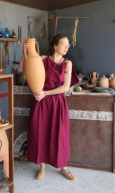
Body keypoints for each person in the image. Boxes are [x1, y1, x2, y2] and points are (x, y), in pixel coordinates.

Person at [19, 34, 80, 180]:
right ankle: (42, 167)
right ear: (55, 46)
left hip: (58, 103)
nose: (66, 47)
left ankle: (63, 167)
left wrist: (46, 93)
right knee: (41, 133)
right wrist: (25, 53)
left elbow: (65, 87)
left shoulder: (68, 63)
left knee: (61, 135)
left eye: (68, 45)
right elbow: (22, 69)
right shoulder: (42, 59)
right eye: (63, 44)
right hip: (41, 103)